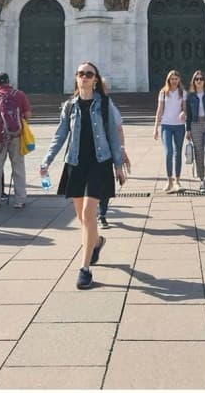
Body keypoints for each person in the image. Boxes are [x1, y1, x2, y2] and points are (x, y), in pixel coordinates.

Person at [39, 62, 125, 289]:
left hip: (100, 162)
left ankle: (85, 268)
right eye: (80, 74)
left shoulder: (105, 104)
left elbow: (113, 136)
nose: (84, 77)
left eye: (89, 74)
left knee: (89, 212)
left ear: (95, 79)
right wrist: (47, 160)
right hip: (75, 163)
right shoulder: (69, 106)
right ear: (76, 78)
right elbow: (60, 135)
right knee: (82, 217)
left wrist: (118, 164)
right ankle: (96, 242)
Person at [0, 71, 31, 209]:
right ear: (9, 81)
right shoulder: (19, 94)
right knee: (18, 167)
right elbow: (28, 115)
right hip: (16, 136)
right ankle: (20, 199)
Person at [97, 76, 130, 229]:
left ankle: (102, 214)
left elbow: (118, 128)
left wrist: (121, 148)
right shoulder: (80, 103)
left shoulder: (108, 105)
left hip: (105, 151)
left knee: (104, 183)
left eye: (102, 87)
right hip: (87, 152)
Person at [153, 70, 186, 193]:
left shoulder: (183, 93)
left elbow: (185, 109)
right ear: (168, 80)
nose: (174, 81)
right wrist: (156, 127)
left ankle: (177, 181)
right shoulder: (163, 93)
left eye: (176, 78)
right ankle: (169, 181)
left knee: (178, 153)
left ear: (179, 80)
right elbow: (159, 110)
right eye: (172, 78)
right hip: (166, 125)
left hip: (179, 126)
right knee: (169, 152)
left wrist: (184, 113)